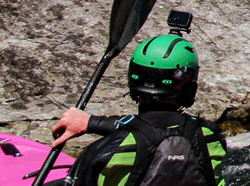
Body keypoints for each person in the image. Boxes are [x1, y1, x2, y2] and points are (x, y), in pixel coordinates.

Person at [51, 28, 226, 185]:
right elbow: (160, 130)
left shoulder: (103, 152)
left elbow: (147, 131)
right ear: (189, 85)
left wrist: (93, 123)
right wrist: (92, 123)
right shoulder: (212, 137)